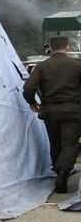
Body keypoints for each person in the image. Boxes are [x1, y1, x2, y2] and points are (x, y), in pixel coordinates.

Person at [23, 35, 81, 194]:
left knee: (55, 143)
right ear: (67, 47)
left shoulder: (42, 66)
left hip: (49, 111)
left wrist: (33, 103)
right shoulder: (76, 65)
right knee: (70, 144)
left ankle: (58, 173)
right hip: (72, 110)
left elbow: (29, 88)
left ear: (50, 47)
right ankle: (63, 173)